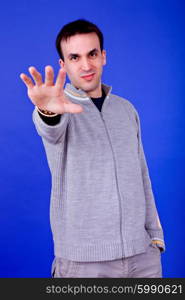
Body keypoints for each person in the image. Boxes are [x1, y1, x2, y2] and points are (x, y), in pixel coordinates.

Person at [20, 19, 165, 278]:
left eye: (92, 54)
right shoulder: (59, 108)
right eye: (75, 57)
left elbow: (142, 176)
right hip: (85, 264)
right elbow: (49, 128)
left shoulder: (126, 109)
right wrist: (47, 111)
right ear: (63, 65)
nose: (86, 65)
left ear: (104, 56)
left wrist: (154, 237)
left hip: (142, 257)